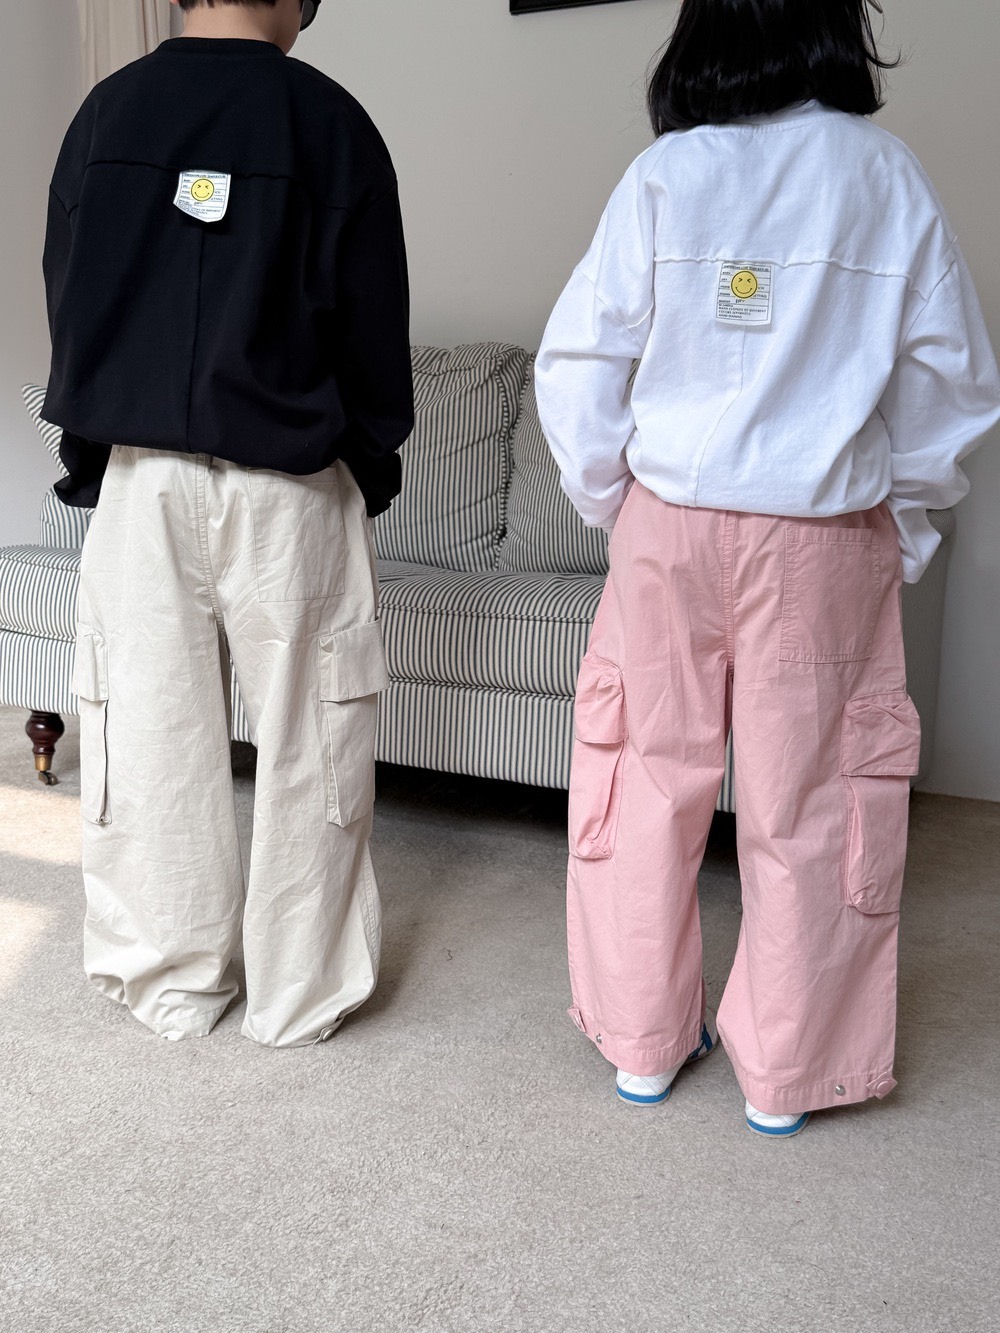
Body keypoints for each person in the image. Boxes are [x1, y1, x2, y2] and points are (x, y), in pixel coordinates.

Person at [535, 0, 1000, 1136]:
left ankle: (643, 1044)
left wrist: (618, 508)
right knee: (815, 800)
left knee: (646, 778)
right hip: (823, 533)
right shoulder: (882, 174)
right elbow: (951, 384)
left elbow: (579, 363)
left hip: (671, 522)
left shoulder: (665, 175)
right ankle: (787, 1074)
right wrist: (902, 522)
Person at [42, 0, 413, 1047]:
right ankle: (300, 994)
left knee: (147, 734)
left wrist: (97, 457)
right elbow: (373, 331)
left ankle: (173, 981)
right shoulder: (330, 120)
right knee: (315, 735)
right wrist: (362, 468)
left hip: (143, 482)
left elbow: (73, 306)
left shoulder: (106, 115)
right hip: (293, 486)